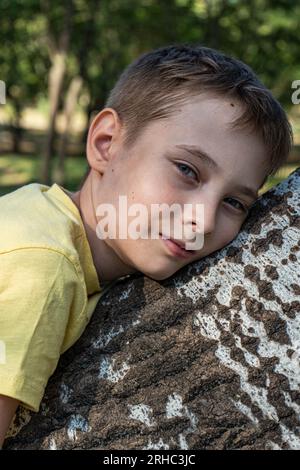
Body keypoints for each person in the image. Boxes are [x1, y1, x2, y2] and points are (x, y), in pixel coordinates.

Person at [0, 43, 293, 448]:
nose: (204, 220)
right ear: (106, 144)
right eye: (187, 170)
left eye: (234, 202)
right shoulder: (45, 269)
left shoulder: (37, 210)